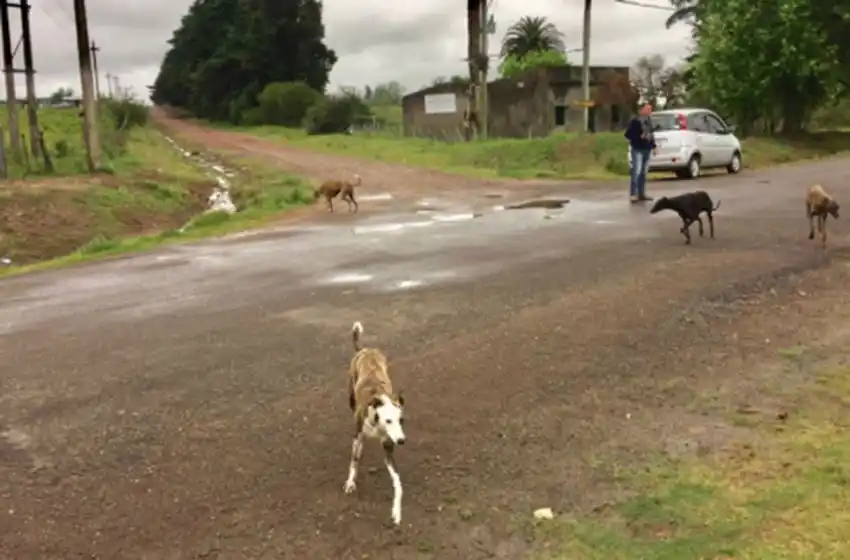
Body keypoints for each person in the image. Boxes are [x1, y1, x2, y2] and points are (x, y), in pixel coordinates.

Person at [624, 104, 657, 203]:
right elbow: (628, 135)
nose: (649, 111)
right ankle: (633, 194)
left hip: (647, 148)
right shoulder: (635, 121)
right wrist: (639, 136)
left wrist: (654, 146)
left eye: (650, 109)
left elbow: (651, 134)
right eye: (647, 109)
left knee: (643, 172)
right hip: (637, 148)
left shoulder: (649, 121)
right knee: (636, 171)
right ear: (641, 110)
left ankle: (641, 194)